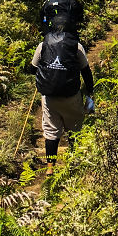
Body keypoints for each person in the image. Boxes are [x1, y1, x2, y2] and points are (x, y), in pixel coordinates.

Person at [31, 14, 94, 175]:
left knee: (51, 132)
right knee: (74, 130)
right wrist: (90, 93)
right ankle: (74, 164)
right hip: (72, 96)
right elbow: (86, 72)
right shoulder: (76, 46)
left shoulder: (43, 44)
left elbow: (33, 68)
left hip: (50, 97)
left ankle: (50, 167)